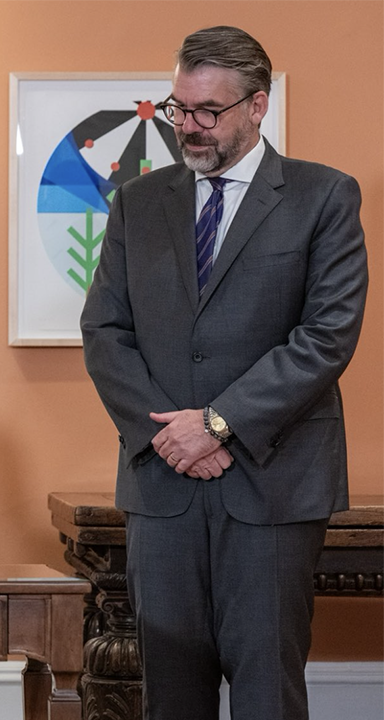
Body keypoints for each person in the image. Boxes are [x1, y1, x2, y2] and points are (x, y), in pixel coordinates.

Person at [80, 26, 368, 720]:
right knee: (170, 697)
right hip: (163, 487)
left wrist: (216, 424)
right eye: (180, 108)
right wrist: (167, 436)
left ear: (257, 106)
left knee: (268, 691)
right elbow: (104, 331)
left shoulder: (323, 197)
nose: (190, 127)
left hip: (272, 489)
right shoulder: (137, 204)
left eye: (209, 111)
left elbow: (326, 337)